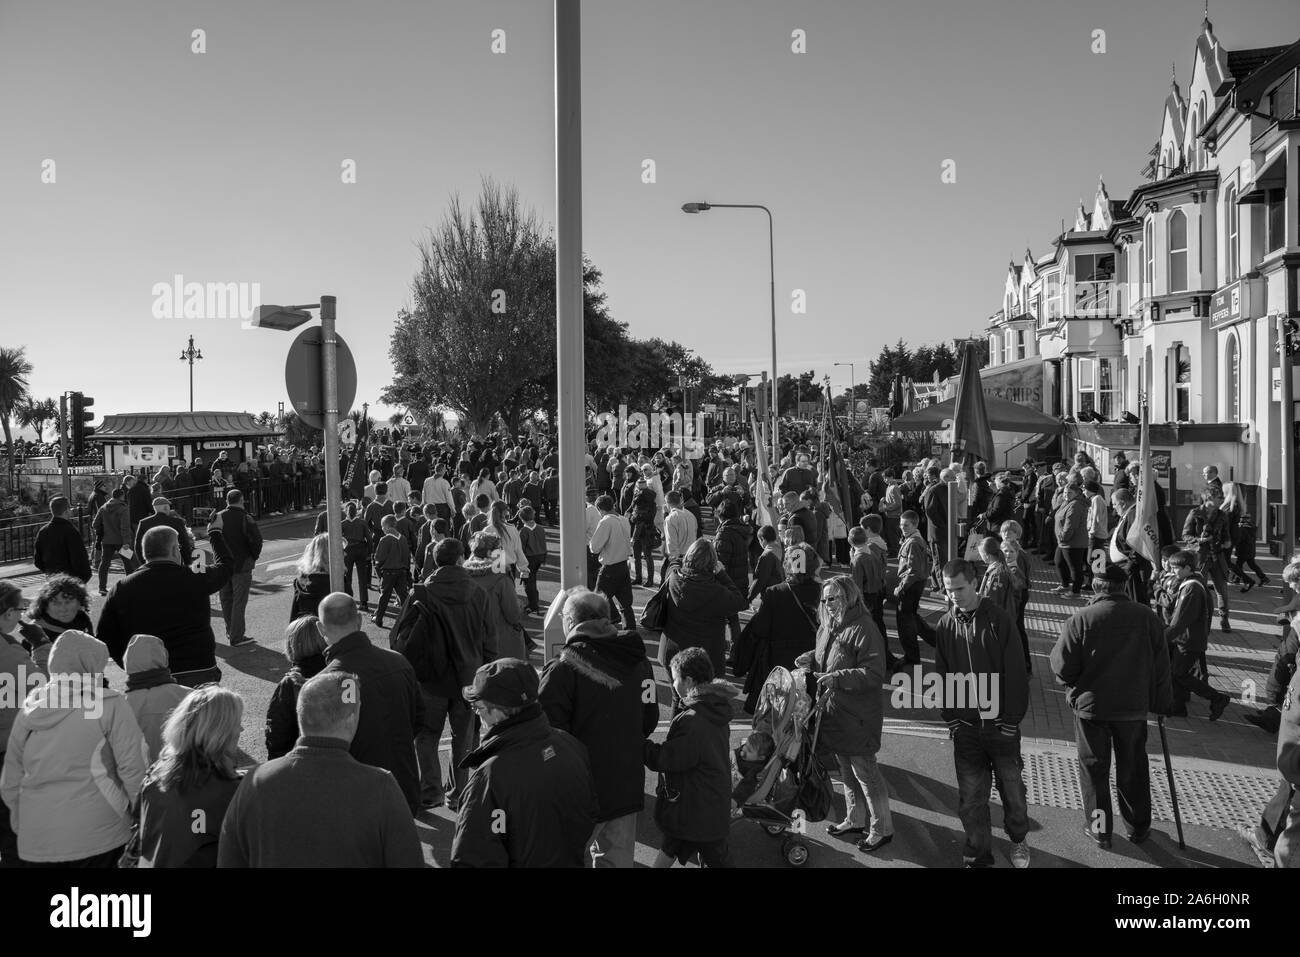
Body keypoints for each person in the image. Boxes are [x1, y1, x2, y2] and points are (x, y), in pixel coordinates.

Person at [218, 671, 423, 867]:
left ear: (300, 716)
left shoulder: (255, 782)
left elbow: (230, 859)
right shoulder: (381, 787)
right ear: (352, 718)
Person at [1051, 563, 1174, 849]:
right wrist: (1161, 703)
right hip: (1132, 708)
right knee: (1133, 766)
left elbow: (1062, 668)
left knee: (1094, 769)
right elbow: (1162, 666)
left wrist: (1072, 688)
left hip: (1091, 708)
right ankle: (1138, 827)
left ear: (1096, 587)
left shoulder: (1081, 619)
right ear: (1124, 587)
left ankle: (1099, 830)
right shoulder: (1147, 617)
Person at [1, 630, 147, 866]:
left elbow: (10, 781)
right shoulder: (108, 704)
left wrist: (24, 824)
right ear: (93, 666)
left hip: (37, 838)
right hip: (100, 833)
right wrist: (141, 819)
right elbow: (134, 768)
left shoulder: (31, 708)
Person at [539, 588, 658, 868]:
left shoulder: (562, 670)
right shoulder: (639, 661)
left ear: (570, 622)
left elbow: (548, 734)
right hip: (625, 782)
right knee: (616, 860)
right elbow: (649, 718)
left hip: (579, 789)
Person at [451, 658, 599, 867]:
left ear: (500, 711)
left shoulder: (491, 778)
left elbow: (473, 857)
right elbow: (589, 813)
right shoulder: (570, 745)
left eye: (479, 708)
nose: (478, 715)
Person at [934, 559, 1031, 868]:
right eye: (949, 591)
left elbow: (1016, 672)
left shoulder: (999, 620)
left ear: (974, 583)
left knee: (1012, 793)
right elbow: (943, 673)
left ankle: (1018, 839)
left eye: (959, 589)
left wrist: (1010, 721)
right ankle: (979, 855)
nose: (954, 596)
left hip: (1001, 727)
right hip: (966, 728)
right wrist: (951, 718)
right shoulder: (946, 623)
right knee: (972, 798)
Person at [797, 575, 894, 853]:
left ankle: (882, 829)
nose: (828, 604)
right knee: (846, 771)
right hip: (836, 713)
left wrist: (837, 677)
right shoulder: (829, 625)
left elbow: (874, 673)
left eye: (834, 598)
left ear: (849, 597)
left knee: (866, 773)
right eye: (825, 599)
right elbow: (829, 656)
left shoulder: (865, 627)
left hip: (858, 715)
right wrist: (810, 657)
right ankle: (854, 819)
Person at [317, 593, 424, 813]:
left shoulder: (324, 683)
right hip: (403, 783)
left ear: (321, 628)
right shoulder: (398, 662)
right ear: (359, 620)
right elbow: (418, 718)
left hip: (356, 795)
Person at [98, 522, 237, 687]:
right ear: (173, 550)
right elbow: (226, 566)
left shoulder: (122, 588)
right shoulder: (195, 577)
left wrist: (130, 663)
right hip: (198, 669)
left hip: (149, 675)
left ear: (145, 552)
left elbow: (104, 635)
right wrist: (214, 532)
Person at [644, 646, 734, 867]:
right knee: (674, 846)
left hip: (696, 809)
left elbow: (668, 758)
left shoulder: (694, 721)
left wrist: (638, 746)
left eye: (675, 679)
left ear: (689, 681)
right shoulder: (714, 708)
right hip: (706, 803)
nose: (672, 684)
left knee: (703, 855)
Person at [137, 685, 245, 867]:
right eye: (236, 724)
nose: (241, 730)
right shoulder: (232, 792)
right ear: (219, 732)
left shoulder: (156, 774)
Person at [734, 543, 820, 714]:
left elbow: (760, 629)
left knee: (777, 713)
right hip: (812, 661)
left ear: (788, 564)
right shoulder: (822, 591)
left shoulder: (775, 592)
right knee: (807, 712)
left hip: (779, 662)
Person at [660, 539, 748, 678]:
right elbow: (738, 602)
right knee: (705, 697)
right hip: (706, 658)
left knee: (678, 697)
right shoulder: (717, 591)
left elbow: (673, 565)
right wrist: (722, 574)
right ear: (712, 563)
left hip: (674, 649)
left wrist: (679, 560)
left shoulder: (674, 578)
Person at [1164, 550, 1232, 720]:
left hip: (1188, 640)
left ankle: (1217, 698)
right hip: (1188, 638)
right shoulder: (1191, 583)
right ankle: (1178, 707)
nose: (1173, 571)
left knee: (1179, 674)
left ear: (1187, 568)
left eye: (1176, 568)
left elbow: (1180, 621)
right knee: (1176, 672)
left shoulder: (1191, 588)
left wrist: (1163, 637)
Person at [0, 584, 38, 865]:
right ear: (9, 613)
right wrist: (43, 645)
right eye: (19, 610)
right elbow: (45, 687)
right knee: (12, 830)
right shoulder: (8, 652)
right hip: (6, 750)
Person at [265, 616, 328, 760]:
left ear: (292, 644)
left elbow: (278, 732)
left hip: (303, 761)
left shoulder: (291, 683)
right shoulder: (339, 671)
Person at [123, 634, 191, 765]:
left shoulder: (121, 705)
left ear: (127, 663)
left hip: (141, 778)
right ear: (164, 658)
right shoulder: (190, 696)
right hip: (184, 774)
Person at [215, 489, 262, 648]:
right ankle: (237, 636)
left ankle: (230, 631)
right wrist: (253, 556)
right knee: (238, 601)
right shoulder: (245, 517)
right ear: (241, 500)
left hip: (222, 565)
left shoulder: (218, 517)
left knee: (226, 600)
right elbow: (256, 541)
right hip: (241, 565)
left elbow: (213, 538)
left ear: (227, 500)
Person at [1182, 488, 1233, 632]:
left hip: (1217, 556)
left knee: (1222, 589)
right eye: (1219, 497)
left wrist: (1227, 542)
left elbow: (1226, 535)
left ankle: (1224, 618)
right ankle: (1201, 619)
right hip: (1201, 557)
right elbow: (1185, 535)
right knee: (1200, 589)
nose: (1222, 500)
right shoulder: (1195, 513)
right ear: (1209, 497)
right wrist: (1200, 540)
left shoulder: (1222, 515)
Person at [22, 574, 95, 671]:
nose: (63, 609)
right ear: (45, 605)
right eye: (56, 603)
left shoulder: (83, 620)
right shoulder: (35, 632)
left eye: (68, 602)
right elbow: (26, 674)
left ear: (80, 603)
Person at [589, 494, 638, 631]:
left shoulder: (605, 521)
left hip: (609, 568)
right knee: (625, 605)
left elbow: (595, 547)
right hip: (624, 565)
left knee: (597, 603)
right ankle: (630, 631)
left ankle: (598, 631)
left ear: (600, 509)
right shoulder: (623, 520)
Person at [894, 510, 935, 666]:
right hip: (914, 583)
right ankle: (938, 641)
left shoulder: (913, 542)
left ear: (914, 524)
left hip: (911, 585)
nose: (902, 528)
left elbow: (913, 571)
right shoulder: (912, 539)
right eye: (901, 525)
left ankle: (912, 657)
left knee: (905, 622)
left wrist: (901, 587)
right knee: (912, 618)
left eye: (906, 525)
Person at [32, 496, 91, 582]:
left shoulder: (43, 531)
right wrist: (83, 578)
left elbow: (37, 560)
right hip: (71, 581)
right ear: (66, 511)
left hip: (52, 580)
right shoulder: (71, 531)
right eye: (70, 508)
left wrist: (50, 573)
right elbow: (79, 559)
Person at [92, 486, 135, 595]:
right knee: (128, 562)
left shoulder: (103, 507)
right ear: (122, 496)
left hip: (107, 540)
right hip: (121, 541)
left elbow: (94, 524)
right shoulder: (123, 508)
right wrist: (126, 542)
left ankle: (102, 587)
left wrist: (103, 530)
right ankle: (130, 585)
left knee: (104, 563)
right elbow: (124, 527)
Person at [372, 514, 412, 628]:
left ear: (387, 526)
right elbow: (407, 557)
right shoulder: (403, 538)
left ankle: (379, 618)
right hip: (402, 572)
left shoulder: (385, 539)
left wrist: (379, 572)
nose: (382, 529)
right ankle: (410, 618)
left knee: (384, 597)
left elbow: (379, 558)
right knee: (403, 597)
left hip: (388, 572)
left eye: (382, 526)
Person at [133, 497, 193, 570]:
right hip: (173, 562)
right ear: (165, 508)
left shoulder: (143, 523)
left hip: (151, 564)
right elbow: (185, 543)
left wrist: (144, 563)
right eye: (168, 507)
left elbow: (138, 546)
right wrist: (187, 563)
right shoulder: (177, 522)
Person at [289, 533, 333, 621]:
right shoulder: (335, 582)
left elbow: (294, 616)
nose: (345, 553)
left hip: (308, 632)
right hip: (331, 632)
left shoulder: (301, 582)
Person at [341, 500, 373, 611]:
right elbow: (369, 538)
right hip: (361, 549)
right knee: (362, 577)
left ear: (346, 511)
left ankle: (348, 600)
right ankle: (364, 603)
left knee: (347, 577)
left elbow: (339, 540)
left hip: (348, 551)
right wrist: (370, 552)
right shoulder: (362, 522)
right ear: (357, 512)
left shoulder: (342, 524)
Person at [749, 524, 785, 601]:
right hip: (783, 591)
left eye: (759, 541)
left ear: (763, 539)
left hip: (770, 594)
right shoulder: (782, 549)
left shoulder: (766, 556)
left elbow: (760, 580)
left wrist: (749, 598)